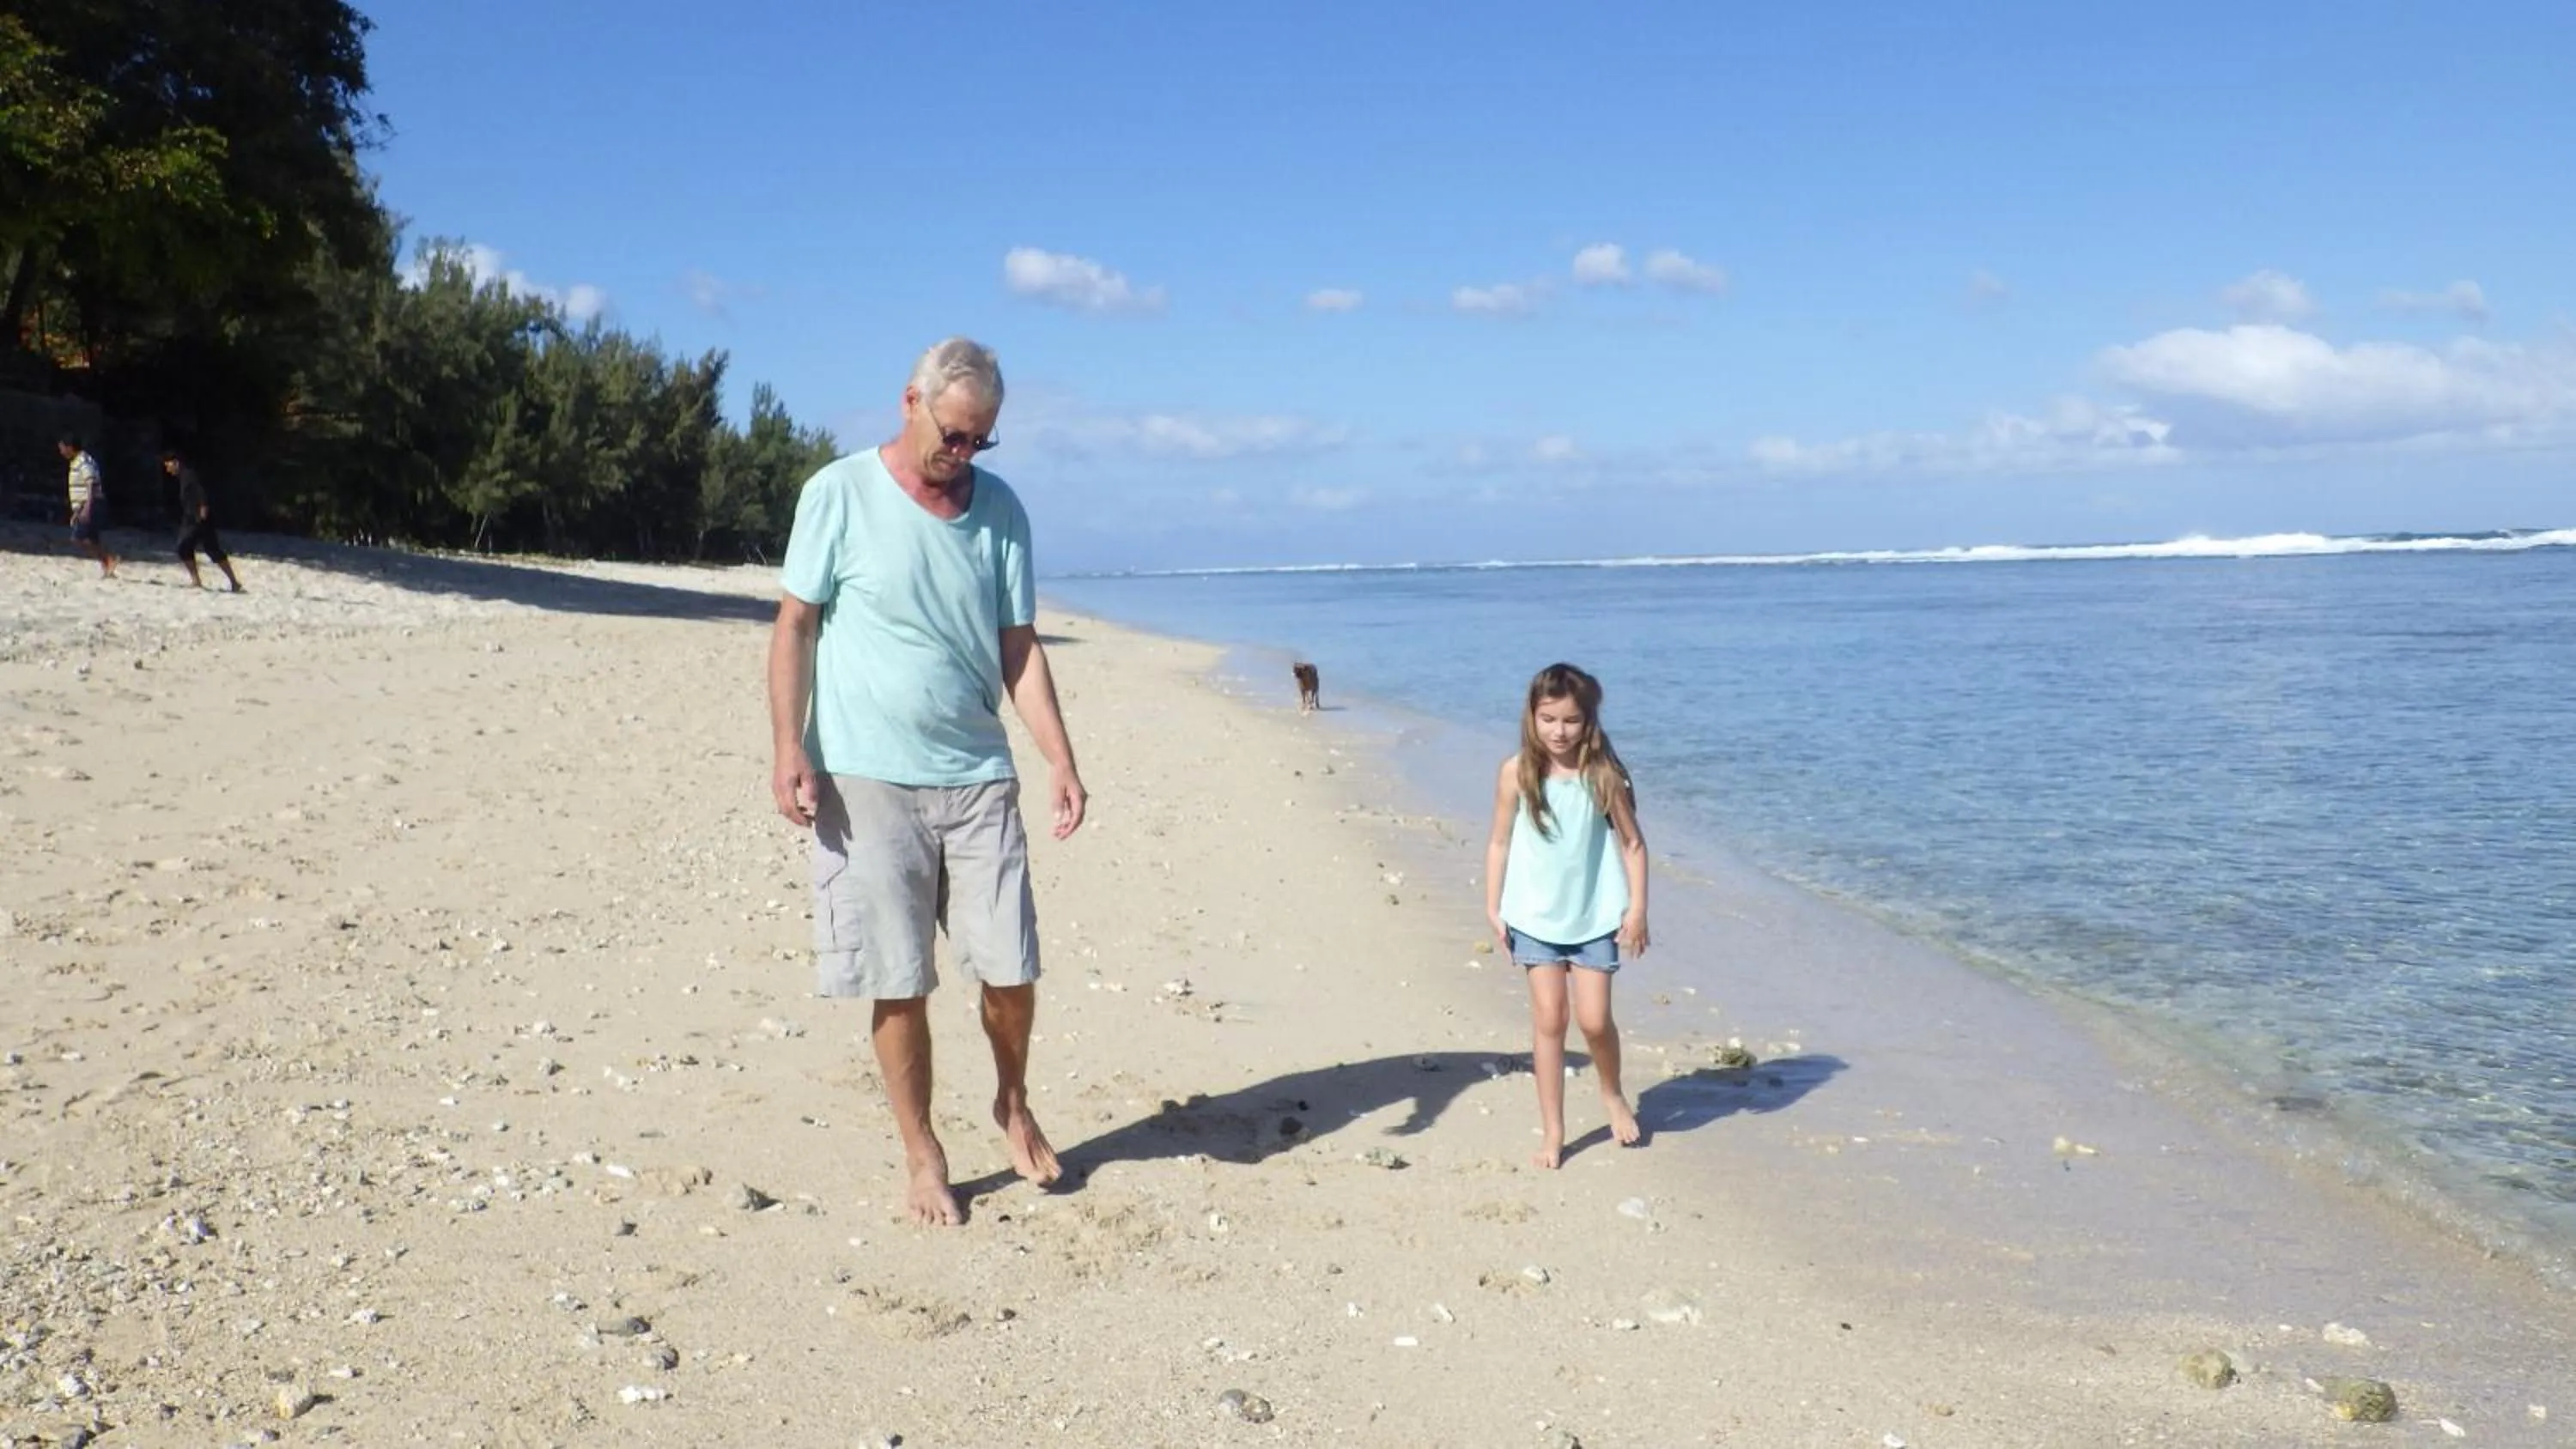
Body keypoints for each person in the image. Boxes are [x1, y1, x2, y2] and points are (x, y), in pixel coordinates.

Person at [767, 337, 1086, 1228]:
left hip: (978, 772)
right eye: (954, 434)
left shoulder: (1002, 511)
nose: (965, 453)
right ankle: (922, 1152)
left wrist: (1060, 757)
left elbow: (1018, 647)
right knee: (899, 976)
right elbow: (795, 626)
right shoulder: (837, 493)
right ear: (910, 402)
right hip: (866, 775)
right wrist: (788, 746)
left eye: (982, 439)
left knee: (1011, 968)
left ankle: (1011, 1100)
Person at [1484, 662, 1651, 1169]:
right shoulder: (1517, 772)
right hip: (1533, 915)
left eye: (1571, 720)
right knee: (1550, 1019)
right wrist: (1493, 905)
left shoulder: (1602, 776)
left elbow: (1633, 844)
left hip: (1595, 915)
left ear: (1589, 721)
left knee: (1595, 1021)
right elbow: (1498, 842)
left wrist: (1638, 909)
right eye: (1549, 719)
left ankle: (1612, 1092)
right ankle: (1554, 1129)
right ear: (1532, 717)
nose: (1559, 731)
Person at [164, 450, 245, 592]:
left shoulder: (188, 475)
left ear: (176, 463)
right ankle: (229, 582)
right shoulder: (183, 476)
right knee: (209, 549)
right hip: (192, 517)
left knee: (186, 547)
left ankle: (228, 581)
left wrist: (203, 507)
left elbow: (200, 491)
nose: (167, 469)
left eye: (168, 465)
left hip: (198, 518)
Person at [59, 436, 117, 579]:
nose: (61, 452)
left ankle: (108, 559)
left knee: (78, 538)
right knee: (92, 538)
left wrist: (86, 508)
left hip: (91, 504)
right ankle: (107, 564)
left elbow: (90, 484)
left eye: (62, 448)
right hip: (86, 505)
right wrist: (76, 511)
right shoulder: (77, 462)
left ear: (70, 447)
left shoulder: (83, 461)